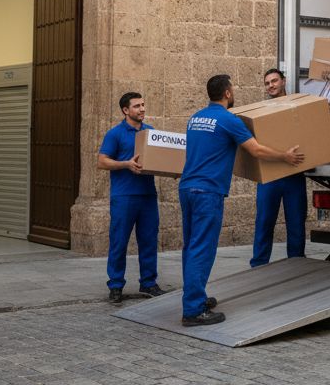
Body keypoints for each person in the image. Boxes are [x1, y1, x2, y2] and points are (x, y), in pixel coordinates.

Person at [179, 74, 304, 326]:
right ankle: (192, 310)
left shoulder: (196, 118)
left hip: (188, 187)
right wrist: (285, 156)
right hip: (207, 192)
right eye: (232, 89)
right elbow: (255, 149)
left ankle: (196, 296)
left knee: (191, 246)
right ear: (227, 93)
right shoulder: (228, 119)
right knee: (202, 249)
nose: (233, 93)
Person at [96, 92, 166, 304]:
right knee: (119, 242)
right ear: (125, 110)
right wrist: (126, 164)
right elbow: (102, 161)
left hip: (148, 196)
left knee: (149, 241)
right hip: (124, 196)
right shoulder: (115, 134)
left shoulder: (151, 132)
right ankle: (116, 285)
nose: (142, 109)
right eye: (137, 106)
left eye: (143, 105)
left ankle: (148, 283)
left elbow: (160, 158)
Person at [250, 69, 308, 267]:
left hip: (294, 174)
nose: (271, 85)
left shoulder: (297, 106)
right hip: (269, 176)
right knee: (264, 223)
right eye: (267, 83)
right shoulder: (260, 111)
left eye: (274, 81)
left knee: (296, 223)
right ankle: (258, 266)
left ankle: (297, 264)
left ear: (284, 81)